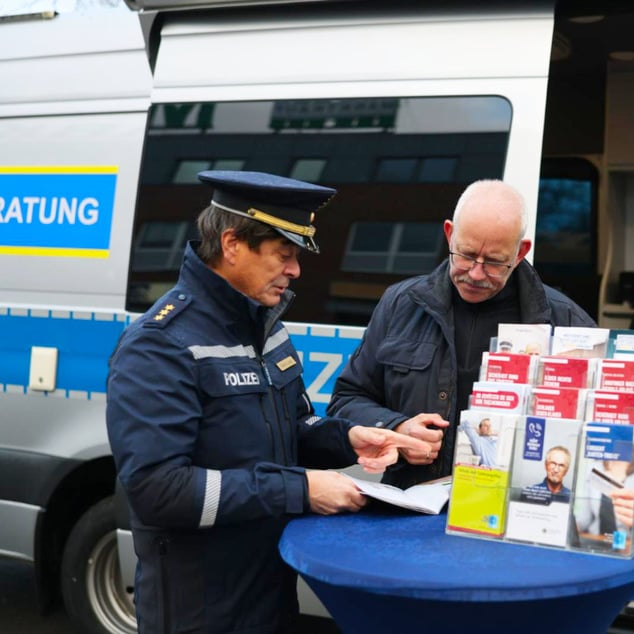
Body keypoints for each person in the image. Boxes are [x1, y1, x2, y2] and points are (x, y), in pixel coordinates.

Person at [105, 170, 430, 634]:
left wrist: (349, 438)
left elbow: (293, 426)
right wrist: (301, 490)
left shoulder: (265, 327)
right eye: (284, 254)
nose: (295, 270)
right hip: (201, 612)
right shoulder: (159, 345)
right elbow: (159, 491)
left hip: (269, 596)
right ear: (233, 244)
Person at [327, 179, 596, 488]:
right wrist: (397, 427)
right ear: (449, 234)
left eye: (494, 262)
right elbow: (347, 399)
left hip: (518, 511)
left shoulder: (565, 322)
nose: (476, 273)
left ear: (521, 252)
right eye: (466, 255)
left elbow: (592, 430)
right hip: (412, 506)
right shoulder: (400, 304)